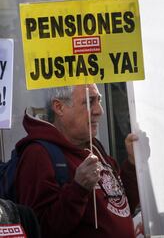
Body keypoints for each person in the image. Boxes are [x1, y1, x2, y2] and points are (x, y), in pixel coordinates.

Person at [14, 84, 139, 238]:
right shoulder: (38, 154)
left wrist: (133, 164)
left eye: (99, 100)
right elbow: (40, 229)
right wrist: (78, 189)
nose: (99, 110)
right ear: (59, 107)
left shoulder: (93, 146)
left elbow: (122, 208)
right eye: (89, 101)